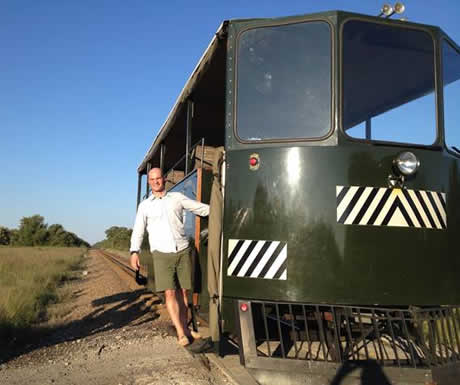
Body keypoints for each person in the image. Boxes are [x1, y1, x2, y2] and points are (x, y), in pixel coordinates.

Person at [130, 167, 209, 346]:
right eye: (152, 179)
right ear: (149, 182)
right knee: (170, 292)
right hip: (161, 253)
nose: (156, 181)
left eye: (158, 178)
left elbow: (200, 208)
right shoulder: (145, 206)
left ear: (164, 179)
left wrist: (223, 208)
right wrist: (134, 251)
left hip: (181, 250)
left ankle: (187, 329)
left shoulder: (177, 198)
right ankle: (181, 332)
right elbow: (138, 231)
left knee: (183, 293)